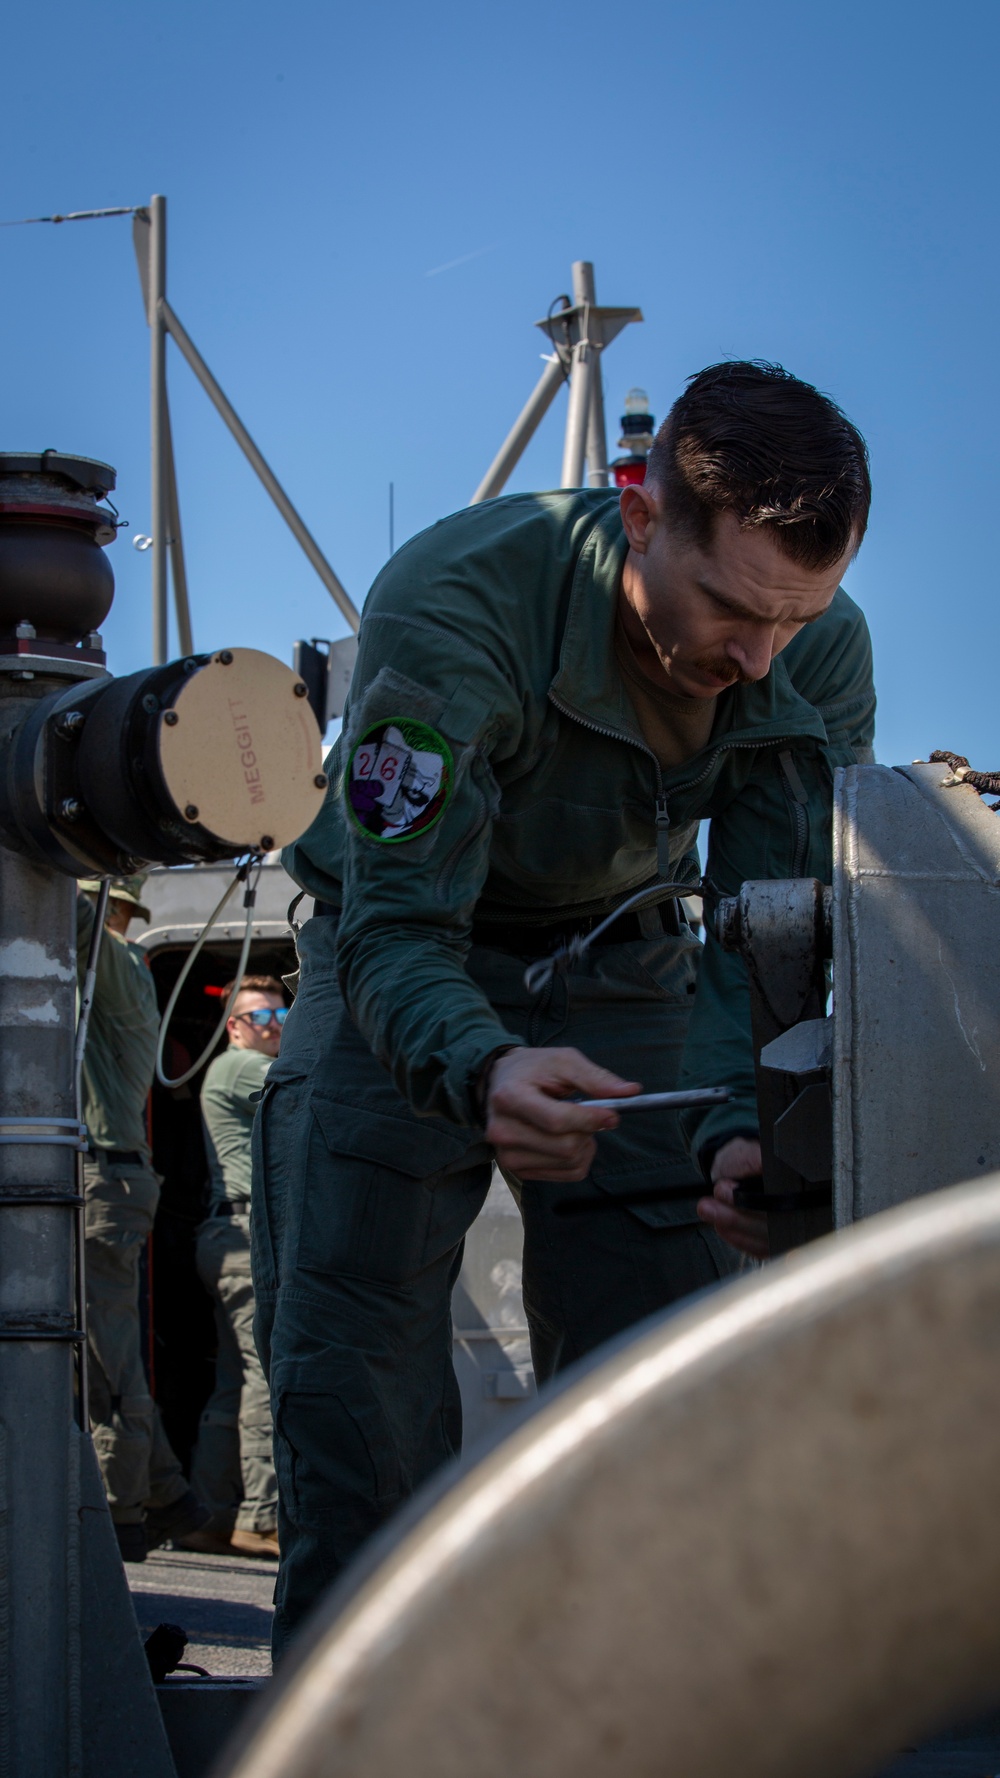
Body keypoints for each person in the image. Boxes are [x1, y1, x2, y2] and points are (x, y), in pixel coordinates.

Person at [253, 360, 876, 1655]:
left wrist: (747, 1134)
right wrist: (481, 1068)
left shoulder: (815, 650)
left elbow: (760, 937)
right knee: (351, 1378)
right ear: (640, 514)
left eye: (795, 620)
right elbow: (398, 924)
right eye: (730, 612)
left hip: (631, 965)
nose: (760, 658)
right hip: (407, 953)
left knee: (665, 1378)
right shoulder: (456, 601)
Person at [78, 876, 208, 1563]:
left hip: (105, 1177)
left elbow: (72, 918)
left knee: (105, 1358)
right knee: (103, 1348)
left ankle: (121, 1510)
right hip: (108, 1177)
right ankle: (162, 1490)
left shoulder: (118, 965)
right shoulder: (108, 976)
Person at [180, 976, 284, 1558]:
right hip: (244, 1237)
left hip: (225, 1233)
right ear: (235, 1028)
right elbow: (304, 1085)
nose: (274, 1025)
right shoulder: (242, 1067)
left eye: (283, 1014)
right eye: (262, 1016)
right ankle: (261, 1516)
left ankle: (212, 1512)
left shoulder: (227, 1067)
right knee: (264, 1373)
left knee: (233, 1380)